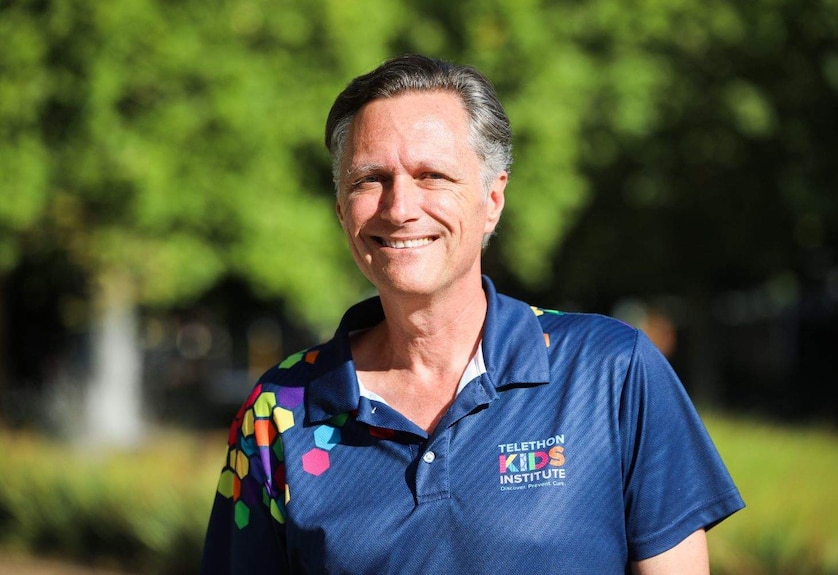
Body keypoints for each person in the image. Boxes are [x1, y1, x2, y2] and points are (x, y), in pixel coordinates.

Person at [200, 54, 744, 574]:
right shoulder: (279, 412)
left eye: (432, 175)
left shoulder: (610, 371)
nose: (400, 207)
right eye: (370, 179)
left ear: (492, 198)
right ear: (342, 210)